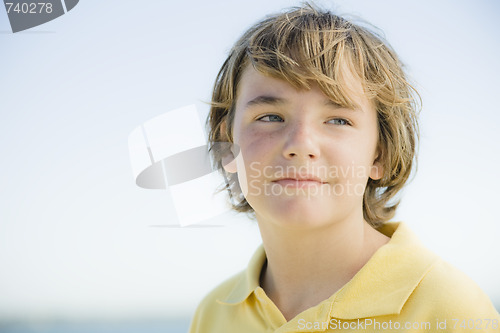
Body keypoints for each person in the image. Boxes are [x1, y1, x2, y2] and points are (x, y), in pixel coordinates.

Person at [189, 3, 500, 332]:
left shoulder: (449, 310)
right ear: (227, 143)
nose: (301, 144)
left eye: (337, 120)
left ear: (379, 154)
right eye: (270, 117)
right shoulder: (213, 314)